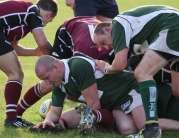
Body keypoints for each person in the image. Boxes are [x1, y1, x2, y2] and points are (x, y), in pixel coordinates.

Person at [93, 5, 179, 137]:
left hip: (172, 26)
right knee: (177, 89)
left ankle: (152, 128)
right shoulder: (133, 38)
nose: (106, 47)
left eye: (103, 42)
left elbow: (120, 65)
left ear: (106, 29)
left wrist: (105, 68)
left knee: (142, 73)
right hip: (172, 27)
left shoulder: (117, 24)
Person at [16, 16, 114, 121]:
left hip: (89, 25)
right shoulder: (83, 56)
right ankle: (16, 113)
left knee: (92, 87)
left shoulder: (116, 47)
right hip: (68, 31)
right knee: (53, 81)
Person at [31, 55, 148, 136]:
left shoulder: (77, 66)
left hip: (127, 92)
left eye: (47, 78)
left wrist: (86, 125)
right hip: (109, 104)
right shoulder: (57, 82)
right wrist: (48, 121)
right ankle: (61, 126)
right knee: (65, 120)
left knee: (132, 128)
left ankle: (102, 121)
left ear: (56, 68)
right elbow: (55, 112)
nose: (47, 82)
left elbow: (93, 103)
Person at [0, 0, 58, 128]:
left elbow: (12, 48)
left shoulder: (21, 20)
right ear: (49, 15)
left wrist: (34, 52)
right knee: (16, 73)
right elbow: (43, 43)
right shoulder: (33, 11)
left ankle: (12, 118)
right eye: (49, 21)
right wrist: (57, 61)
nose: (46, 24)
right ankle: (11, 119)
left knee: (16, 73)